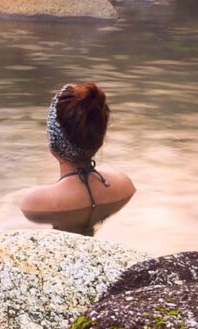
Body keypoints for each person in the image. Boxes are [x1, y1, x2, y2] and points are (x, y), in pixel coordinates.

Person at [16, 81, 135, 234]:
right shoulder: (124, 185)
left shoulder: (34, 203)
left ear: (53, 143)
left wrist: (6, 203)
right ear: (99, 140)